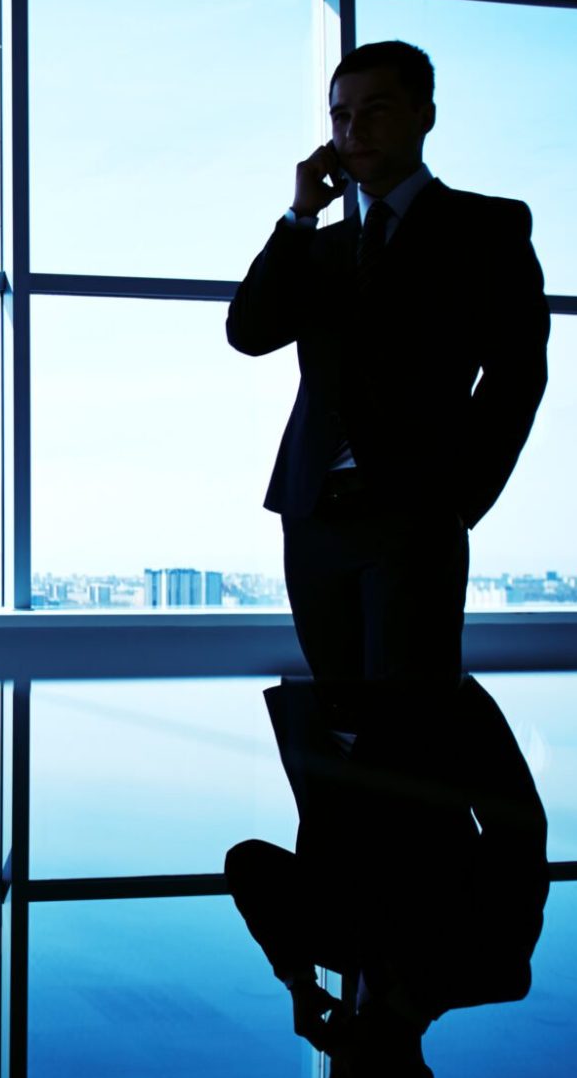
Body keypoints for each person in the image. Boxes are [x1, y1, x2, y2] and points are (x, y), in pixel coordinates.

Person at [227, 42, 549, 683]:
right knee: (337, 716)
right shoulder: (320, 246)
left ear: (424, 115)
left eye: (374, 111)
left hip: (415, 513)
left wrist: (459, 501)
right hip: (314, 514)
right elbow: (249, 331)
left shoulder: (486, 227)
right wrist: (298, 216)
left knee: (410, 724)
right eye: (340, 116)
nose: (353, 131)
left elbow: (518, 374)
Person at [226, 677, 549, 1078]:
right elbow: (518, 828)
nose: (346, 1062)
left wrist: (297, 978)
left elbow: (249, 864)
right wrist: (455, 693)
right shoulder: (492, 966)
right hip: (416, 694)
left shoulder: (334, 943)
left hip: (331, 693)